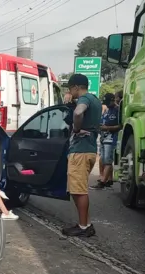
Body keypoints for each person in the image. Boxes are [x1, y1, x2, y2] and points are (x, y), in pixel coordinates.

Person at [61, 74, 102, 237]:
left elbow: (78, 113)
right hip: (90, 149)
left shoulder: (84, 99)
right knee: (78, 189)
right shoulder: (96, 100)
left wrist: (76, 129)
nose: (70, 92)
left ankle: (84, 227)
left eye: (70, 88)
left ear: (77, 87)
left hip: (80, 151)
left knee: (78, 190)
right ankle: (86, 223)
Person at [91, 93, 122, 189]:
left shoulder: (118, 111)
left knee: (107, 161)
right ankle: (109, 180)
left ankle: (103, 182)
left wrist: (107, 127)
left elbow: (121, 125)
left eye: (108, 102)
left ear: (113, 100)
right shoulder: (107, 110)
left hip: (111, 139)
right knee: (104, 159)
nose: (107, 104)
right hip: (104, 138)